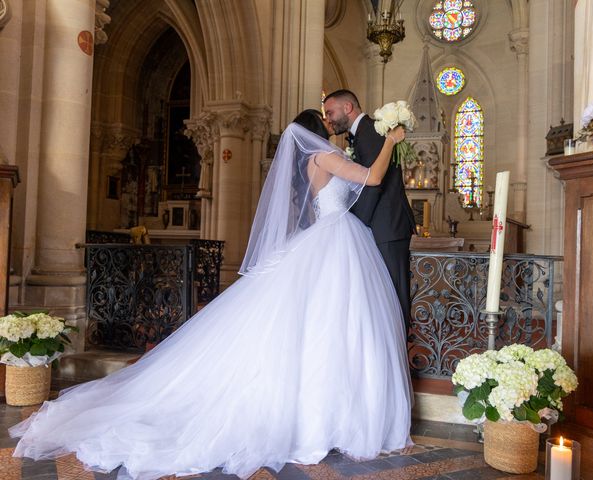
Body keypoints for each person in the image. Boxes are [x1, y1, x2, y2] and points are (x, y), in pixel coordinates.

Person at [10, 109, 412, 480]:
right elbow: (373, 179)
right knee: (334, 327)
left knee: (321, 327)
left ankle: (323, 416)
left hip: (328, 243)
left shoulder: (310, 163)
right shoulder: (323, 159)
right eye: (324, 127)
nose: (329, 130)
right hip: (337, 244)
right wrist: (391, 141)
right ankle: (330, 417)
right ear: (314, 134)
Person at [323, 90, 416, 334]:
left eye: (330, 112)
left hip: (387, 225)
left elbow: (375, 184)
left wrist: (354, 223)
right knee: (384, 293)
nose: (329, 119)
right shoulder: (361, 134)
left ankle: (399, 348)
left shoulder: (370, 132)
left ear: (347, 107)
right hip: (382, 224)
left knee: (394, 294)